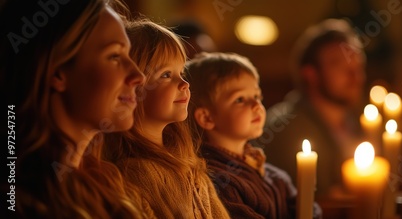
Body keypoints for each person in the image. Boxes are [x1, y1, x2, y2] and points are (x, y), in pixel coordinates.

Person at [1, 0, 148, 218]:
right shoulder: (16, 201)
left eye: (129, 56)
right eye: (115, 56)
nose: (139, 76)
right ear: (57, 71)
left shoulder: (106, 182)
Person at [102, 20, 230, 218]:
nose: (184, 83)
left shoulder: (188, 164)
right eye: (166, 74)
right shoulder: (131, 175)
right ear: (133, 84)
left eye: (181, 72)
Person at [186, 52, 322, 218]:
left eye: (257, 96)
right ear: (207, 117)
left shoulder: (274, 176)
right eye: (240, 99)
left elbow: (307, 208)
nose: (257, 105)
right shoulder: (217, 181)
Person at [256, 18, 367, 197]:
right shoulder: (284, 127)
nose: (354, 75)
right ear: (311, 74)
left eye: (358, 65)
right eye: (339, 65)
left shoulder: (357, 122)